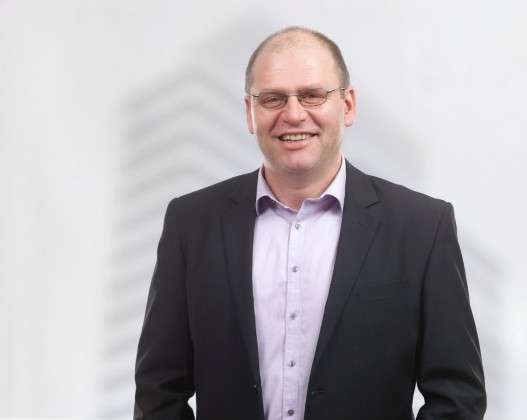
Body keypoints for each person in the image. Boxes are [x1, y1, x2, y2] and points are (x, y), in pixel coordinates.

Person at [134, 26, 486, 420]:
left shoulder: (422, 228)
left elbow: (457, 398)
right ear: (250, 113)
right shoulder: (191, 223)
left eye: (312, 95)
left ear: (347, 105)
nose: (293, 114)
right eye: (273, 99)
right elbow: (158, 390)